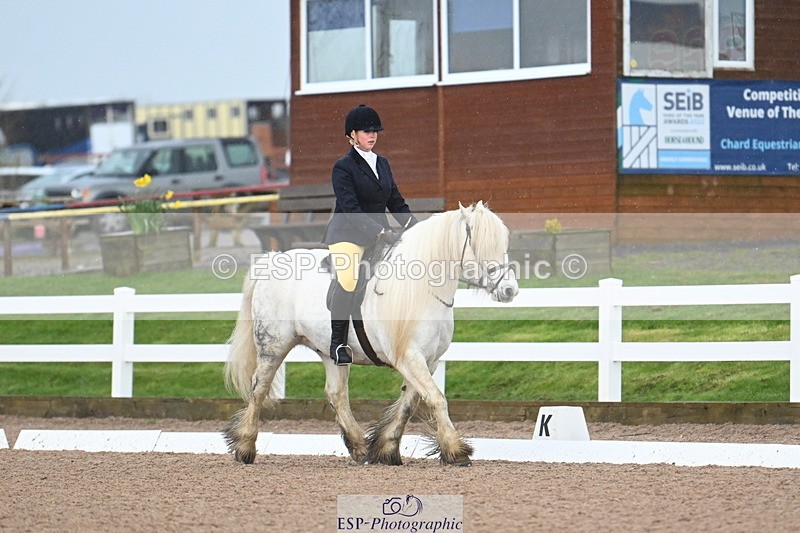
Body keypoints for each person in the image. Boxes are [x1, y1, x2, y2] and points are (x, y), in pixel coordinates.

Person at [322, 104, 417, 366]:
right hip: (347, 234)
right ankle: (338, 342)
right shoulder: (343, 167)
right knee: (350, 280)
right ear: (352, 135)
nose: (372, 135)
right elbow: (350, 209)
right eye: (366, 131)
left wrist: (416, 228)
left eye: (375, 130)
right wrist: (380, 231)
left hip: (379, 234)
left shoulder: (382, 164)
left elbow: (396, 202)